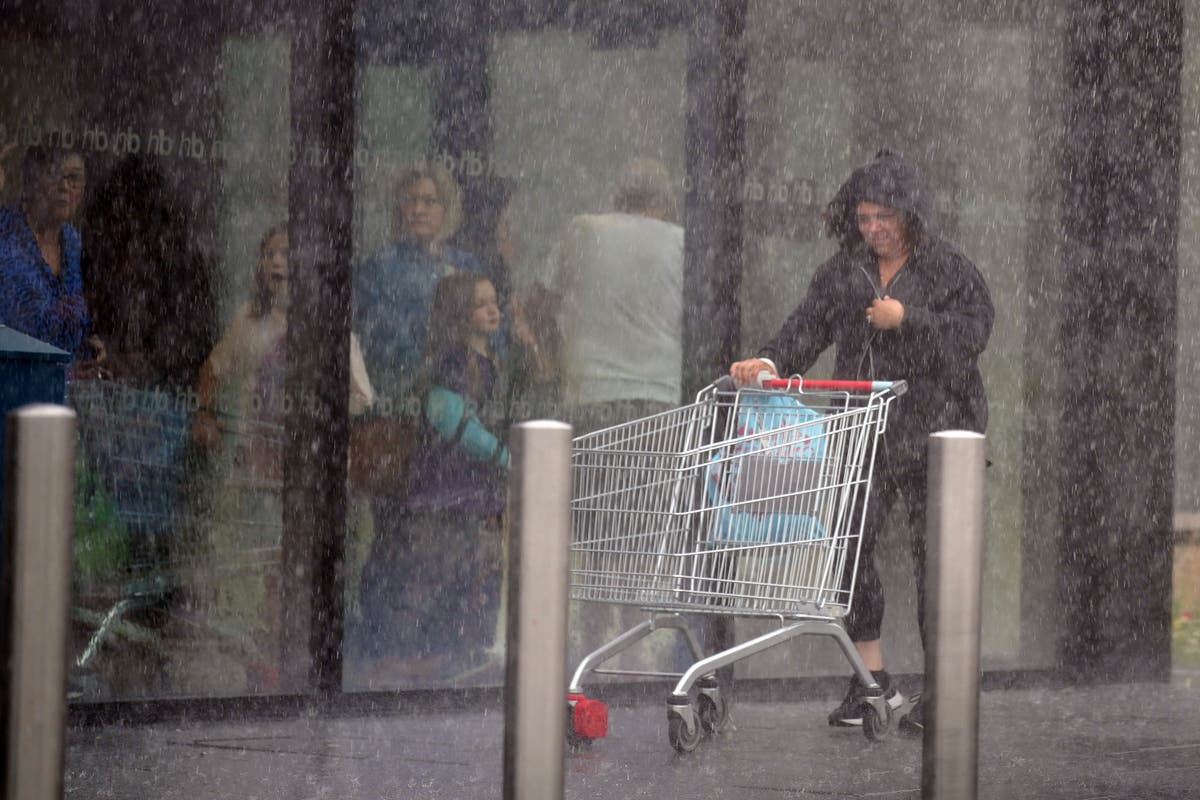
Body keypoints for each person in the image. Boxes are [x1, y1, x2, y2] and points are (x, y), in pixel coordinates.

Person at [729, 149, 993, 734]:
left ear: (911, 215)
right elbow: (808, 325)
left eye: (884, 218)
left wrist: (909, 320)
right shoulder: (844, 270)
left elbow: (975, 333)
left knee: (939, 567)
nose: (872, 229)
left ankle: (945, 694)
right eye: (864, 217)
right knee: (849, 549)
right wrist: (770, 361)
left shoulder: (950, 268)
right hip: (864, 431)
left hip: (939, 436)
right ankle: (871, 682)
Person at [191, 223, 373, 689]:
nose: (277, 263)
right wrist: (207, 414)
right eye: (270, 254)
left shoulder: (332, 328)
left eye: (288, 255)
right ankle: (278, 649)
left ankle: (307, 649)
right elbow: (213, 368)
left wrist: (338, 394)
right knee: (274, 560)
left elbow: (361, 398)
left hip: (313, 469)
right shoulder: (249, 321)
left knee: (312, 561)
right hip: (262, 464)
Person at [356, 271, 515, 685]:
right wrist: (503, 456)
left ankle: (448, 652)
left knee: (463, 574)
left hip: (470, 496)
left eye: (493, 300)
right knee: (426, 575)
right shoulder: (452, 363)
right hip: (443, 493)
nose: (492, 309)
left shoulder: (487, 363)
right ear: (459, 314)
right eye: (481, 303)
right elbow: (449, 417)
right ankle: (403, 655)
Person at [544, 157, 684, 433]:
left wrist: (553, 362)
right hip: (659, 394)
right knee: (658, 476)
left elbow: (542, 304)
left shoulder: (583, 231)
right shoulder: (681, 243)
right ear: (666, 202)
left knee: (590, 475)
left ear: (617, 196)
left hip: (589, 392)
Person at [82, 154, 217, 391]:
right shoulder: (104, 253)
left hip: (164, 392)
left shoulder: (178, 258)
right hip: (110, 390)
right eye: (118, 215)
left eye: (133, 211)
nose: (125, 224)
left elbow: (195, 339)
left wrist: (142, 361)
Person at [353, 161, 483, 408]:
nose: (417, 210)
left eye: (429, 201)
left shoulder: (466, 266)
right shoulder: (379, 268)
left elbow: (487, 334)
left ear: (446, 208)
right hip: (397, 402)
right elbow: (372, 338)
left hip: (463, 399)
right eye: (410, 200)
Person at [0, 145, 104, 367]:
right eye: (54, 174)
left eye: (74, 178)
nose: (65, 186)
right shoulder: (4, 234)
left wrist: (86, 348)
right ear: (31, 182)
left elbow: (71, 324)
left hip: (59, 392)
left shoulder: (73, 243)